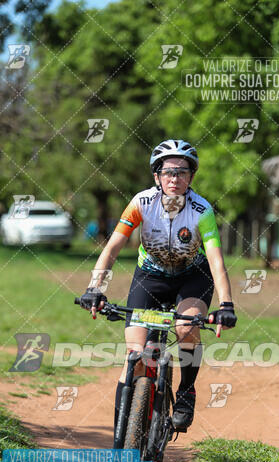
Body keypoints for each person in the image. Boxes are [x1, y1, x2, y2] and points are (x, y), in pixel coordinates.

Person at [79, 139, 237, 432]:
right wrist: (94, 288)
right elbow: (113, 247)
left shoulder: (202, 210)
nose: (175, 178)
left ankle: (186, 391)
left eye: (182, 171)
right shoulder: (141, 203)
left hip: (192, 276)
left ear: (191, 176)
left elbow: (215, 259)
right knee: (135, 357)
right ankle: (122, 437)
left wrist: (226, 305)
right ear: (156, 176)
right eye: (168, 172)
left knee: (186, 329)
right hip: (150, 277)